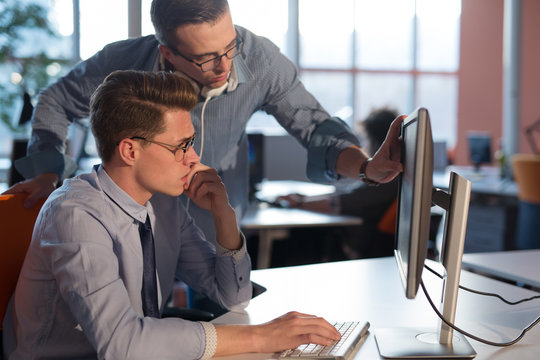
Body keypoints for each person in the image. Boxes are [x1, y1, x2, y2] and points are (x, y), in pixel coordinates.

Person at [2, 70, 342, 359]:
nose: (193, 158)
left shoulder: (162, 205)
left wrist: (223, 215)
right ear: (130, 150)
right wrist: (263, 336)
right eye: (180, 146)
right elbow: (123, 344)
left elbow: (233, 297)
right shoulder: (75, 215)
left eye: (191, 143)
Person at [4, 0, 403, 243]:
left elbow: (317, 129)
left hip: (217, 205)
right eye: (204, 58)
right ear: (168, 53)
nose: (224, 66)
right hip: (132, 207)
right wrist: (46, 172)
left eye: (229, 46)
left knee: (223, 308)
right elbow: (54, 100)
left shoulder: (258, 60)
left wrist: (367, 168)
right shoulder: (123, 63)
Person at [276, 108, 400, 260]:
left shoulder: (388, 177)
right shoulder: (386, 174)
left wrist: (299, 202)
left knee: (296, 236)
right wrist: (304, 198)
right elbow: (345, 194)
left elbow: (341, 202)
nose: (365, 145)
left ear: (376, 141)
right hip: (353, 237)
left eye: (366, 139)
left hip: (351, 246)